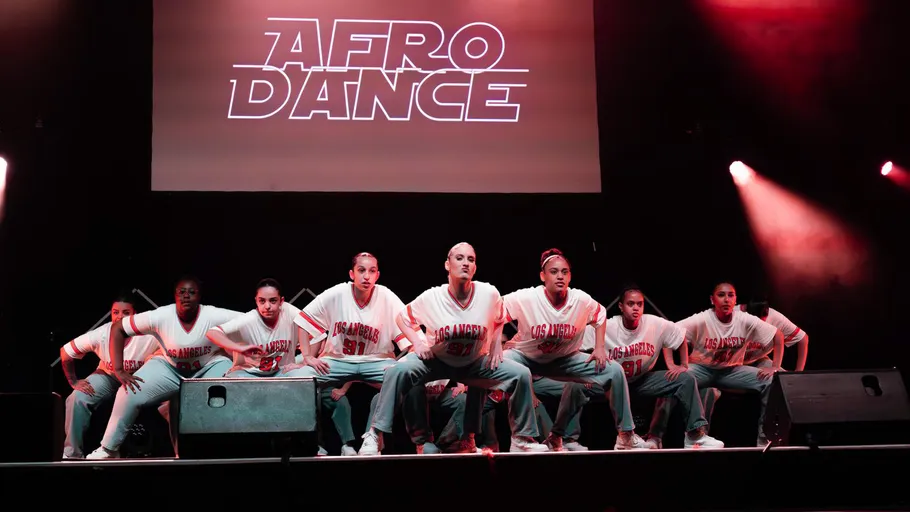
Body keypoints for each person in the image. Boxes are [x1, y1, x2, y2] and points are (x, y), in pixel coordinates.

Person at [361, 242, 548, 455]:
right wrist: (419, 343)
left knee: (521, 373)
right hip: (437, 361)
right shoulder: (432, 297)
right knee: (396, 370)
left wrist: (496, 345)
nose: (465, 263)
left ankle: (521, 438)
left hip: (474, 362)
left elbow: (500, 316)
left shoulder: (488, 293)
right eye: (459, 258)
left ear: (475, 268)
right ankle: (375, 435)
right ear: (447, 265)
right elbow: (402, 318)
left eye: (471, 259)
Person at [500, 248, 647, 451]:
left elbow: (601, 315)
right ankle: (521, 439)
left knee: (614, 371)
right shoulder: (527, 298)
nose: (560, 276)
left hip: (565, 360)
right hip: (528, 357)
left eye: (565, 272)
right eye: (554, 271)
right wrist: (493, 345)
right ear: (543, 276)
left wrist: (599, 347)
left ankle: (625, 435)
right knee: (502, 363)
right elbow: (495, 313)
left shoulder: (580, 300)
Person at [86, 276, 242, 459]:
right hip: (169, 367)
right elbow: (118, 329)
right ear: (175, 296)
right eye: (181, 292)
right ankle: (109, 448)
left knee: (232, 389)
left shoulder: (214, 315)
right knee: (128, 392)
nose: (186, 296)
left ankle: (230, 450)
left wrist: (240, 361)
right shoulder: (161, 316)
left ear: (199, 296)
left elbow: (251, 322)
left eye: (192, 292)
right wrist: (119, 370)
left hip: (209, 365)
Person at [571, 286, 724, 449]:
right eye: (631, 304)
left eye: (640, 304)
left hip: (642, 381)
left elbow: (680, 336)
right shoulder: (609, 326)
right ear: (621, 307)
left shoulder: (654, 323)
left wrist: (681, 364)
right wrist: (585, 374)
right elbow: (576, 343)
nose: (636, 308)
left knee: (685, 379)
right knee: (574, 386)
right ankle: (567, 439)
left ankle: (694, 434)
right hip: (611, 385)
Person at [292, 252, 413, 453]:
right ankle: (311, 442)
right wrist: (307, 357)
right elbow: (303, 320)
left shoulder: (386, 296)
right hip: (336, 360)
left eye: (371, 271)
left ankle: (374, 434)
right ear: (352, 273)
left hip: (376, 361)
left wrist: (404, 361)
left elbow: (410, 332)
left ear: (377, 275)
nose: (366, 276)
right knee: (299, 378)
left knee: (404, 379)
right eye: (361, 270)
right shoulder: (338, 293)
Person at [651, 281, 784, 447]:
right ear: (712, 300)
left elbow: (778, 335)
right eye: (721, 295)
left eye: (730, 295)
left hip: (731, 371)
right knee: (670, 380)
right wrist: (673, 364)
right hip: (701, 369)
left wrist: (775, 366)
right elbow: (669, 332)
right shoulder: (702, 319)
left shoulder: (745, 320)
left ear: (735, 300)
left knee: (773, 380)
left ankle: (765, 439)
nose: (726, 299)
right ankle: (654, 437)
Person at [60, 294, 161, 459]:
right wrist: (73, 381)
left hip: (139, 379)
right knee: (76, 398)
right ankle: (72, 454)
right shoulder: (102, 334)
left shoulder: (149, 333)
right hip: (108, 376)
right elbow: (65, 352)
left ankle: (111, 450)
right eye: (115, 312)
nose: (119, 317)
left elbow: (171, 350)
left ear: (135, 315)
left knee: (170, 399)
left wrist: (156, 356)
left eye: (126, 312)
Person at [699, 300, 811, 429]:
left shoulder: (774, 317)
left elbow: (802, 338)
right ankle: (699, 436)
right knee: (706, 388)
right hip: (726, 363)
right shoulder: (730, 317)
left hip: (757, 360)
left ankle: (768, 437)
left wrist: (797, 374)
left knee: (783, 382)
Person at [205, 278, 309, 378]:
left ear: (281, 301)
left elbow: (317, 332)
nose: (267, 306)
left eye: (273, 301)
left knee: (306, 372)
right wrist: (240, 348)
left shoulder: (289, 312)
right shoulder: (249, 320)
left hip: (282, 371)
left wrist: (306, 360)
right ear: (256, 301)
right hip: (251, 373)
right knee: (233, 379)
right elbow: (212, 333)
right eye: (262, 301)